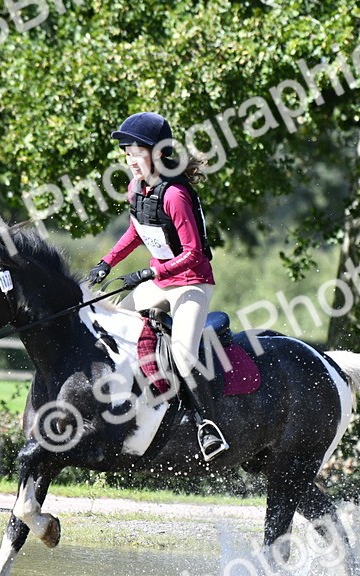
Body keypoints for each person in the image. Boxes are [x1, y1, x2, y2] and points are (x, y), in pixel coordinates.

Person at [88, 111, 229, 461]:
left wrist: (150, 272)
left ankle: (207, 425)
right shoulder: (136, 188)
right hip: (160, 281)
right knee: (115, 331)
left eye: (136, 153)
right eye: (126, 153)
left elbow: (194, 254)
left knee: (182, 355)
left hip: (191, 284)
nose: (129, 160)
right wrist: (107, 262)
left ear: (157, 152)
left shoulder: (175, 195)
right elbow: (136, 231)